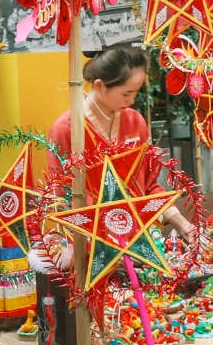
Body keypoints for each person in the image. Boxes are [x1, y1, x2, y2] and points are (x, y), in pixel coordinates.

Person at [47, 43, 193, 234]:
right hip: (90, 243)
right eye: (126, 93)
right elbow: (62, 199)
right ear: (99, 85)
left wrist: (183, 225)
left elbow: (148, 187)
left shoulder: (135, 121)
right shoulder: (66, 129)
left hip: (139, 238)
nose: (132, 100)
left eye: (135, 92)